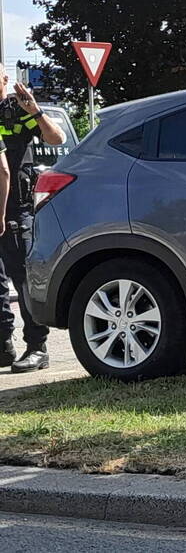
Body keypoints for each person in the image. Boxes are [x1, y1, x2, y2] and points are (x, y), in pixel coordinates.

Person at [0, 72, 67, 373]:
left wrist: (36, 111)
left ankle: (38, 347)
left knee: (23, 279)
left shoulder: (18, 109)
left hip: (16, 209)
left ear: (4, 79)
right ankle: (4, 346)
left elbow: (57, 138)